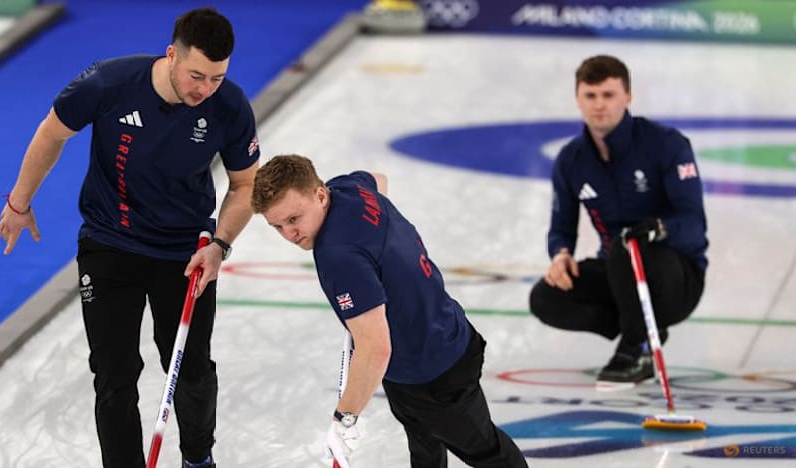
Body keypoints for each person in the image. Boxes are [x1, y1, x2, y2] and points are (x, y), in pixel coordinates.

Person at [0, 7, 260, 468]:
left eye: (216, 78)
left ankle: (199, 459)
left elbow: (244, 185)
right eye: (197, 76)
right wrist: (19, 203)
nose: (205, 89)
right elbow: (52, 131)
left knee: (192, 371)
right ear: (172, 55)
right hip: (110, 245)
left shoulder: (230, 106)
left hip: (186, 253)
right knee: (114, 378)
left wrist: (220, 245)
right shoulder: (109, 83)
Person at [251, 154, 527, 468]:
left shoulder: (339, 257)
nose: (289, 234)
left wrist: (345, 418)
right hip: (435, 336)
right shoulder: (349, 189)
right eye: (277, 227)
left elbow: (375, 349)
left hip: (433, 371)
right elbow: (378, 180)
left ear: (320, 195)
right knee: (424, 449)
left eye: (294, 219)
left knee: (488, 454)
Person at [528, 55, 708, 386]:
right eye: (591, 95)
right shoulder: (571, 160)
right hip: (618, 271)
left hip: (675, 278)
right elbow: (561, 226)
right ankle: (640, 329)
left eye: (608, 95)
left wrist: (659, 229)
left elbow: (694, 224)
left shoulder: (667, 144)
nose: (599, 105)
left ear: (628, 96)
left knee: (625, 248)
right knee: (546, 298)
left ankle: (637, 348)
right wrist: (561, 255)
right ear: (578, 99)